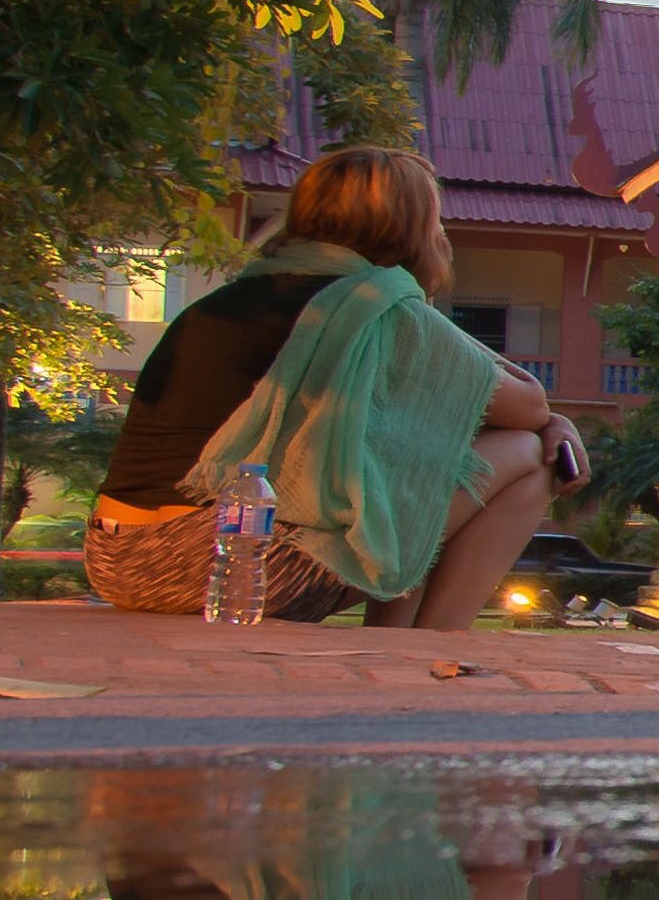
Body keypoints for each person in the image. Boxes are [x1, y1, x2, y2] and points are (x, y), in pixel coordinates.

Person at [86, 143, 581, 629]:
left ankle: (400, 640)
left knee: (417, 462)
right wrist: (419, 299)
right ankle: (434, 641)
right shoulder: (374, 312)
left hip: (116, 559)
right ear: (410, 231)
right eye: (435, 222)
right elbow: (530, 407)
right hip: (233, 566)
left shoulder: (234, 297)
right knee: (531, 453)